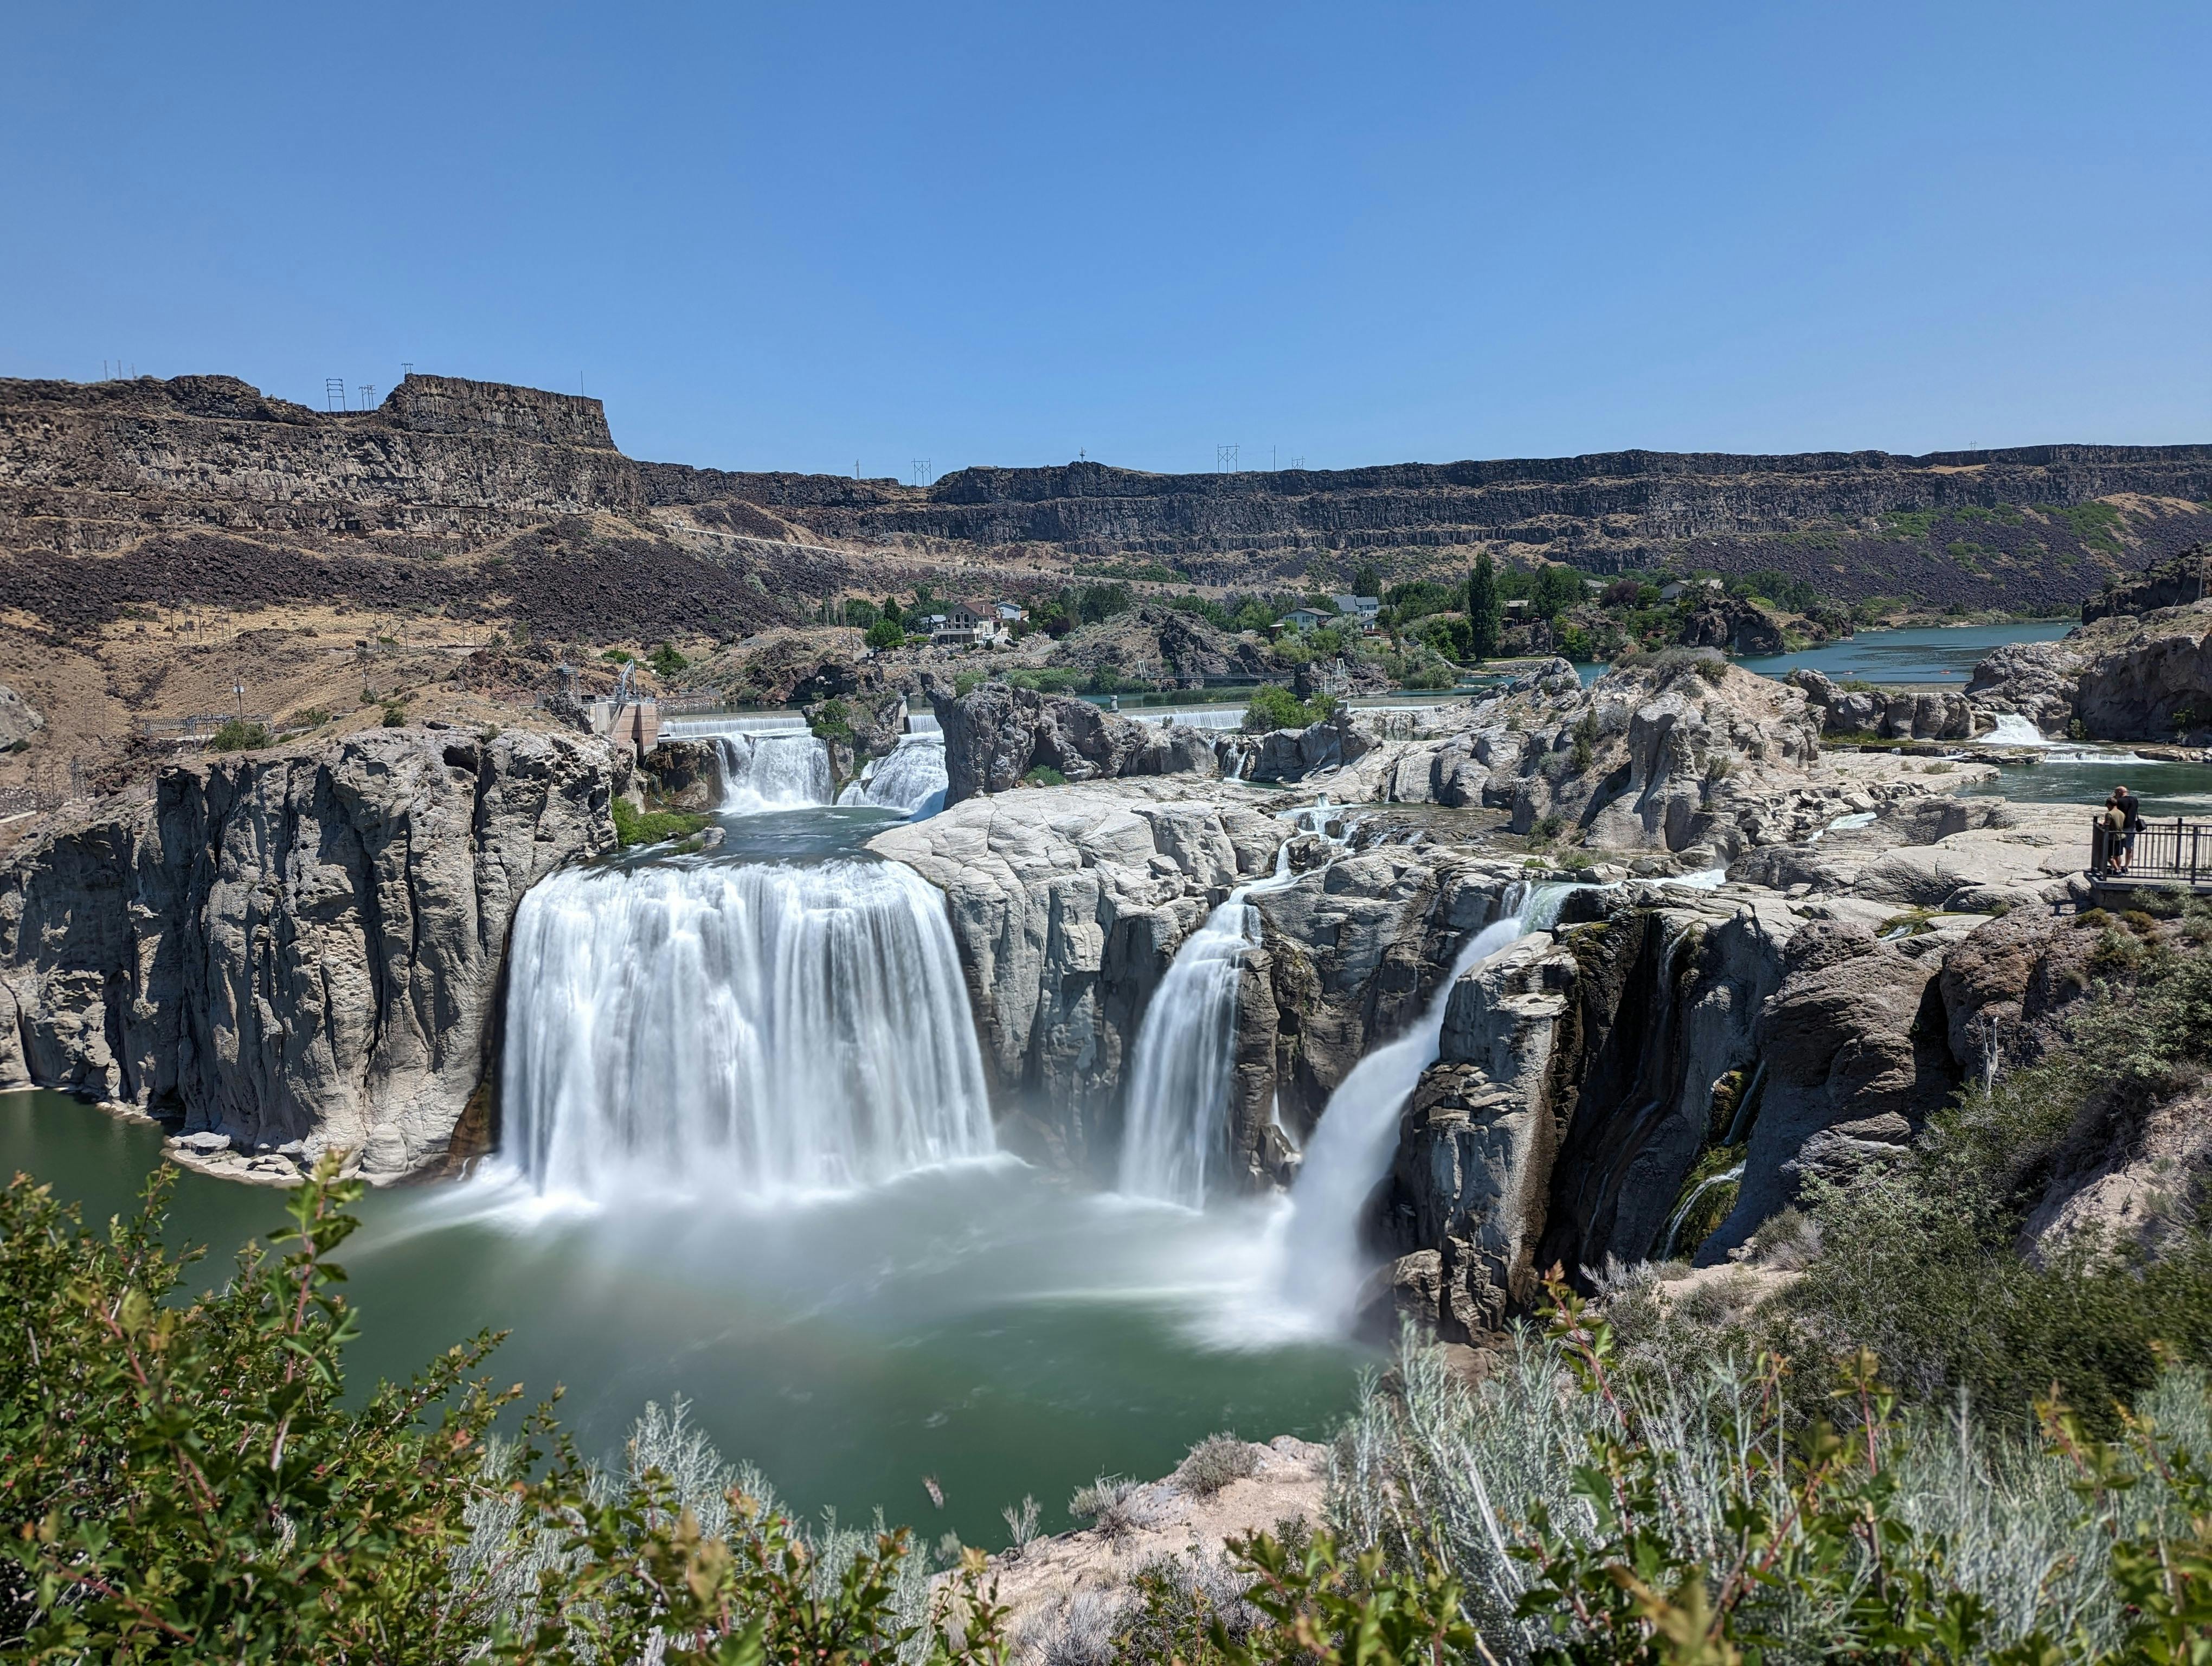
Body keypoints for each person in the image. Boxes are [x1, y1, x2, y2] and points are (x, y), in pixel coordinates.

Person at [2117, 783, 2144, 871]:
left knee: (2118, 848)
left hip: (2121, 827)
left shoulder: (2119, 801)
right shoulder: (2134, 800)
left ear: (2120, 792)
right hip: (2132, 826)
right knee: (2129, 847)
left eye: (2116, 793)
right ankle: (2127, 866)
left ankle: (2118, 867)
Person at [2101, 791, 2129, 874]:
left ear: (2110, 805)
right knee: (2117, 855)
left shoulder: (2109, 814)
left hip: (2112, 837)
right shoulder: (2122, 813)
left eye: (2107, 805)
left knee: (2107, 855)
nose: (2107, 807)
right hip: (2122, 836)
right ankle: (2119, 869)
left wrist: (2102, 824)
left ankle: (2117, 870)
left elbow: (2107, 826)